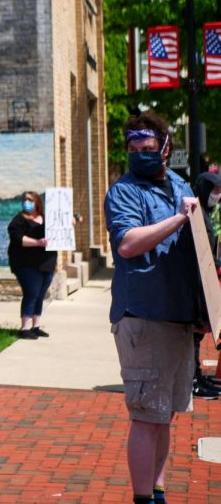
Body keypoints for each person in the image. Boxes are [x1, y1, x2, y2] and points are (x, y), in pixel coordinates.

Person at [104, 111, 204, 504]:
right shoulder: (125, 191)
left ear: (165, 148)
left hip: (178, 319)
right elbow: (128, 244)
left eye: (148, 149)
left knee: (165, 415)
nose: (140, 155)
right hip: (144, 317)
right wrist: (179, 218)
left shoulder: (179, 184)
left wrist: (201, 311)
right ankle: (142, 498)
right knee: (146, 417)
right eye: (133, 149)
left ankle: (157, 491)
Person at [7, 191, 56, 339]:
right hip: (26, 264)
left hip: (46, 263)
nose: (26, 202)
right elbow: (18, 238)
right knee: (31, 293)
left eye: (30, 200)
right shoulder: (18, 220)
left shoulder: (46, 219)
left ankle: (35, 326)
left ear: (37, 202)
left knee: (40, 295)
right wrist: (37, 243)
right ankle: (24, 328)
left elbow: (59, 230)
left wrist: (73, 221)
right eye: (24, 199)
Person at [190, 171, 221, 399]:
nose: (216, 196)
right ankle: (191, 380)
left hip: (204, 282)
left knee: (198, 335)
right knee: (194, 334)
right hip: (195, 285)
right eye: (214, 191)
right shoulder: (196, 213)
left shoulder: (205, 213)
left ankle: (196, 375)